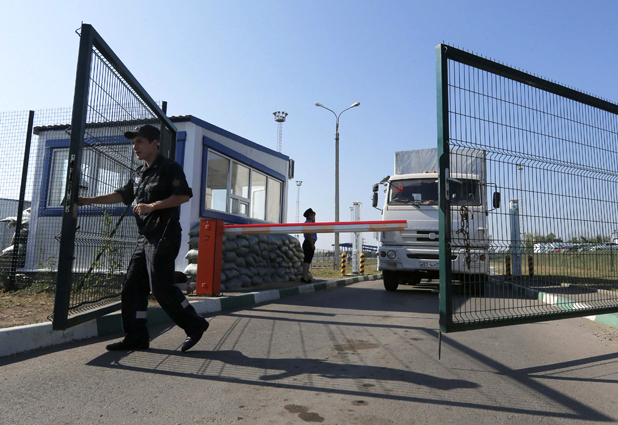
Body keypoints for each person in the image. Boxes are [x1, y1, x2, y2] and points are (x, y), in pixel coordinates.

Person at [78, 124, 209, 352]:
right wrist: (89, 201)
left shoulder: (169, 167)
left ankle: (194, 324)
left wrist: (152, 206)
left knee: (160, 287)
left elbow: (183, 196)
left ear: (154, 143)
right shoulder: (139, 174)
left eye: (139, 142)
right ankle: (136, 337)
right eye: (133, 143)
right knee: (132, 287)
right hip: (145, 237)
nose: (134, 147)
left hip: (165, 234)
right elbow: (121, 195)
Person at [301, 208, 317, 283]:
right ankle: (305, 277)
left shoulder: (309, 223)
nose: (314, 217)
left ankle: (305, 276)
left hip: (308, 242)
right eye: (313, 215)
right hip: (309, 242)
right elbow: (309, 234)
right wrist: (312, 244)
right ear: (310, 216)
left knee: (307, 260)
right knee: (307, 260)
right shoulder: (308, 224)